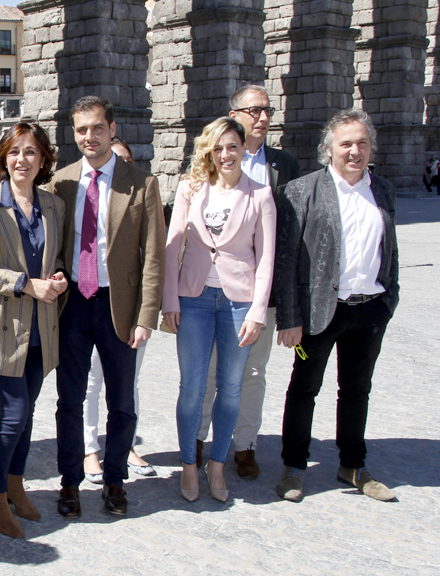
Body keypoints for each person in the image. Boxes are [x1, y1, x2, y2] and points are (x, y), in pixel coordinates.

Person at [274, 108, 399, 503]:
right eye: (346, 143)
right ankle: (294, 467)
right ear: (329, 150)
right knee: (304, 388)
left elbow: (389, 250)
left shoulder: (383, 190)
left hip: (369, 309)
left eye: (362, 143)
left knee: (357, 389)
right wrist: (289, 319)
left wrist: (389, 298)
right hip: (318, 313)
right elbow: (287, 259)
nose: (355, 151)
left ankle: (353, 465)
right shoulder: (304, 190)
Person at [49, 96, 165, 518]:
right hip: (74, 305)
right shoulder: (60, 182)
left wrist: (146, 316)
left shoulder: (141, 183)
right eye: (81, 129)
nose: (89, 136)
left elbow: (153, 256)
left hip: (119, 305)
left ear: (112, 129)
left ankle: (115, 481)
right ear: (74, 133)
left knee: (122, 401)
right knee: (69, 401)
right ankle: (69, 483)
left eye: (97, 127)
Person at [162, 116, 276, 503]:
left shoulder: (260, 195)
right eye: (219, 146)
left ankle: (217, 465)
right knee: (191, 389)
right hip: (193, 299)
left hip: (238, 303)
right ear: (209, 150)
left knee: (230, 390)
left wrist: (259, 311)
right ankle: (189, 466)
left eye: (233, 146)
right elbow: (171, 246)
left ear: (244, 149)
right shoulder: (190, 189)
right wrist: (170, 300)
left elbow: (267, 258)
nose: (225, 154)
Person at [0, 122, 66, 538]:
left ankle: (15, 486)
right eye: (14, 152)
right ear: (3, 159)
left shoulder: (54, 205)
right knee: (14, 413)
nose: (21, 160)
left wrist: (57, 279)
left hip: (42, 324)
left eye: (30, 152)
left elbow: (55, 258)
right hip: (4, 323)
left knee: (29, 412)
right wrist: (26, 284)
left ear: (43, 160)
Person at [194, 84, 301, 478]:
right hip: (211, 290)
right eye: (254, 110)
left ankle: (245, 444)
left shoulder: (285, 166)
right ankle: (198, 439)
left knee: (252, 372)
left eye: (268, 110)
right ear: (234, 114)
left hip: (261, 294)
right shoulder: (208, 164)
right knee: (206, 370)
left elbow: (289, 238)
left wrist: (288, 305)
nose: (263, 117)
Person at [81, 136, 156, 482]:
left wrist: (146, 315)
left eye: (127, 161)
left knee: (129, 385)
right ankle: (89, 450)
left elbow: (154, 257)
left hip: (127, 305)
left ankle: (124, 447)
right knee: (90, 383)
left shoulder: (142, 190)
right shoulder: (75, 184)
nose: (121, 166)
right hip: (87, 301)